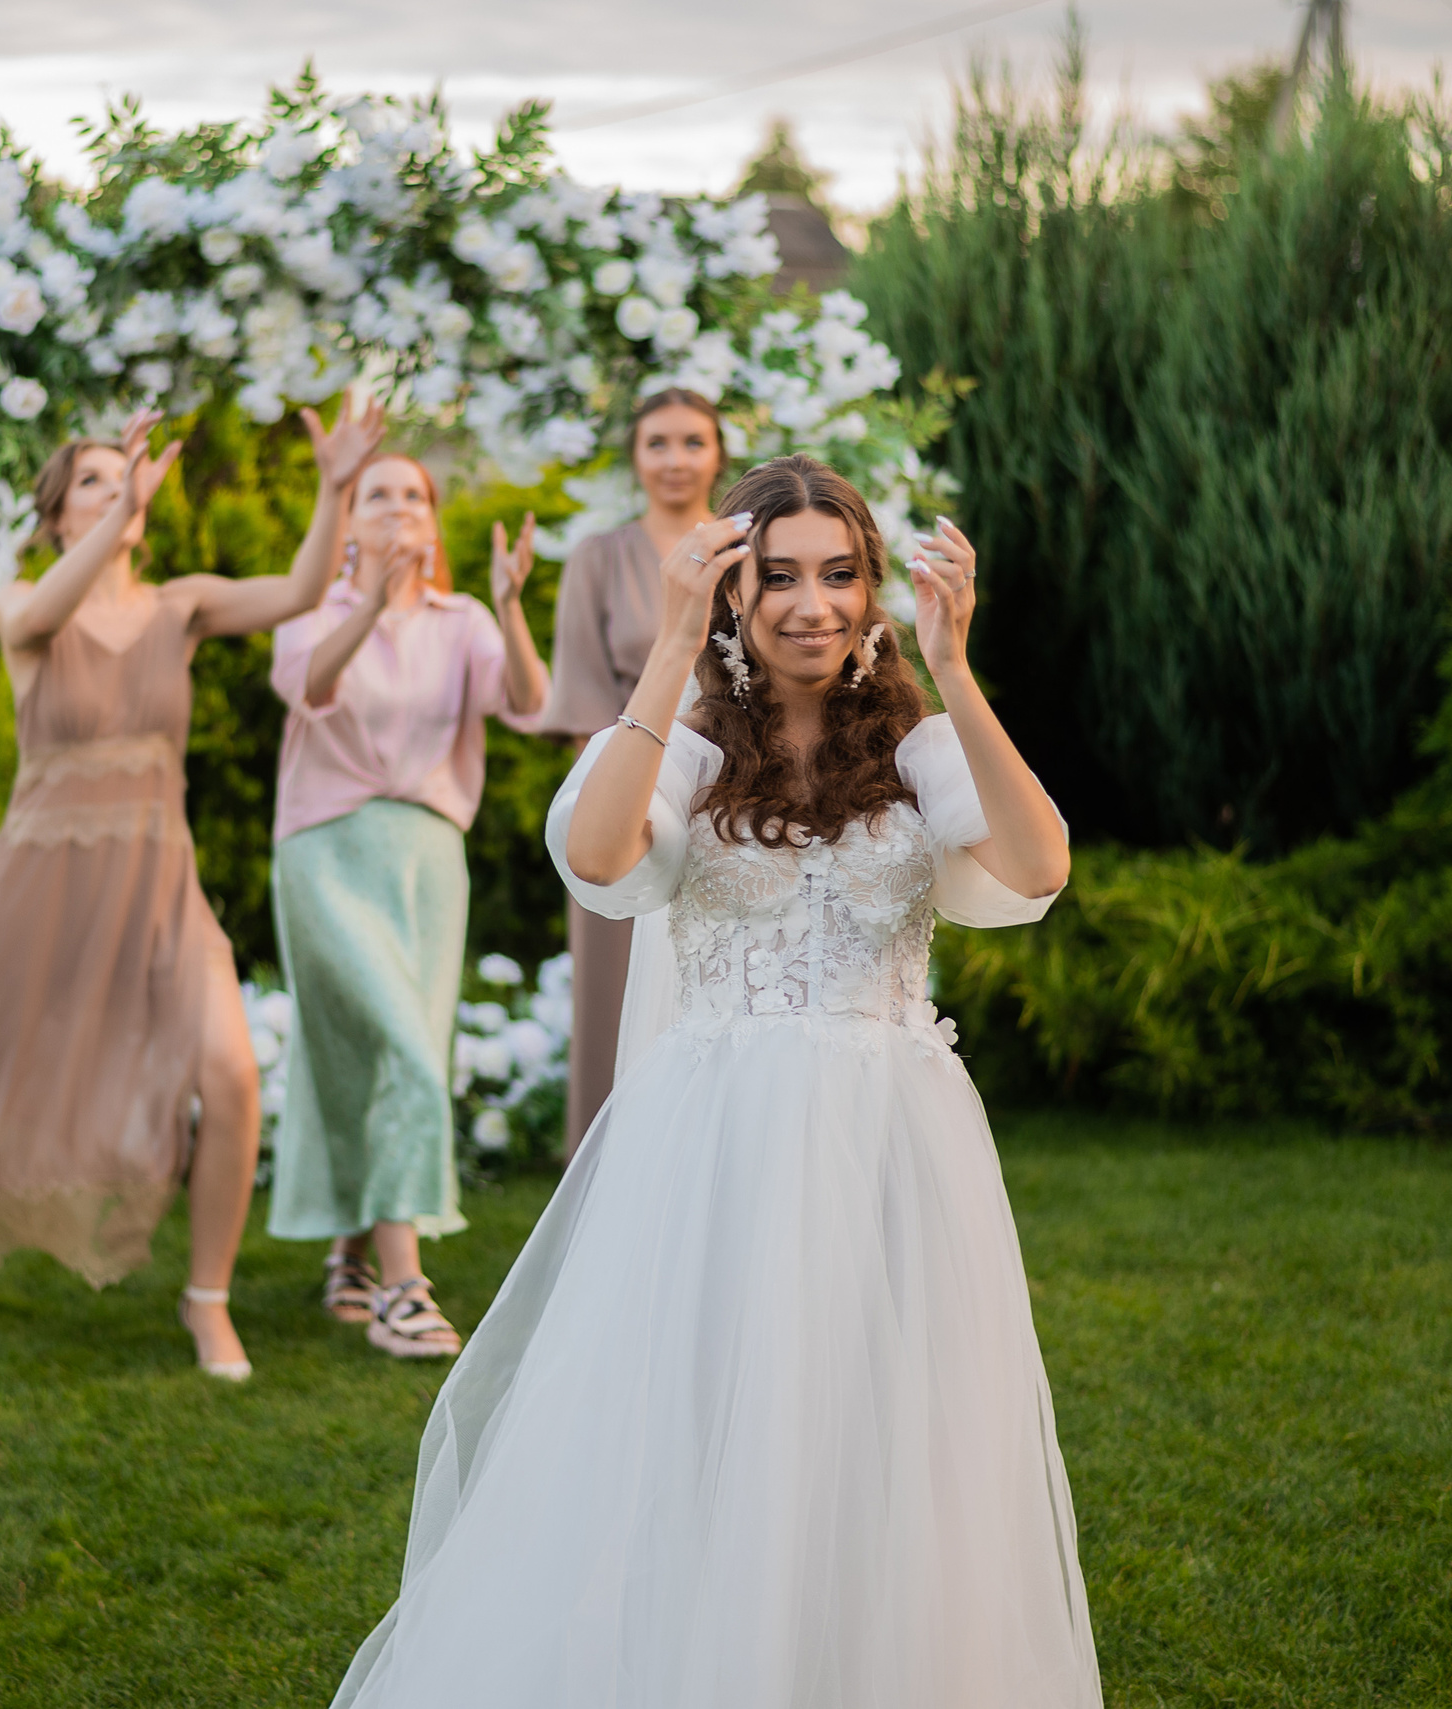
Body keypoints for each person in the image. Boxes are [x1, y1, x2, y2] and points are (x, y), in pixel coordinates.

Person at [327, 456, 1101, 1707]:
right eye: (778, 576)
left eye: (839, 574)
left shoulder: (915, 744)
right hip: (714, 1143)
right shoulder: (685, 740)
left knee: (885, 1433)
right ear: (735, 593)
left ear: (870, 591)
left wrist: (955, 666)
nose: (811, 602)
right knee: (701, 1429)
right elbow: (598, 852)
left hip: (891, 1139)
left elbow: (1039, 860)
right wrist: (670, 647)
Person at [0, 400, 387, 1381]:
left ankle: (208, 1301)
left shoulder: (179, 605)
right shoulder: (24, 606)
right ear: (56, 516)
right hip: (44, 882)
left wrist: (336, 483)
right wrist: (110, 523)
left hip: (156, 880)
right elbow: (48, 610)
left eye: (126, 478)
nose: (120, 490)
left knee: (230, 1071)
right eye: (93, 482)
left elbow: (305, 588)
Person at [265, 451, 550, 1358]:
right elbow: (310, 686)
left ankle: (351, 1252)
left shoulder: (463, 619)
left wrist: (508, 601)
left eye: (413, 496)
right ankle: (403, 1286)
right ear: (346, 523)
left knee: (393, 1050)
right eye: (375, 495)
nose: (397, 508)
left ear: (432, 521)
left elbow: (527, 703)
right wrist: (376, 600)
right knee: (389, 1047)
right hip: (324, 849)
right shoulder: (311, 612)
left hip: (428, 856)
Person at [540, 387, 729, 1152]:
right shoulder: (599, 558)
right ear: (635, 456)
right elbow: (583, 700)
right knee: (613, 1004)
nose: (676, 459)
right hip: (629, 805)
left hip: (733, 801)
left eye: (692, 441)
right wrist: (635, 800)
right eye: (658, 442)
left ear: (718, 452)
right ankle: (606, 1186)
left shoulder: (749, 552)